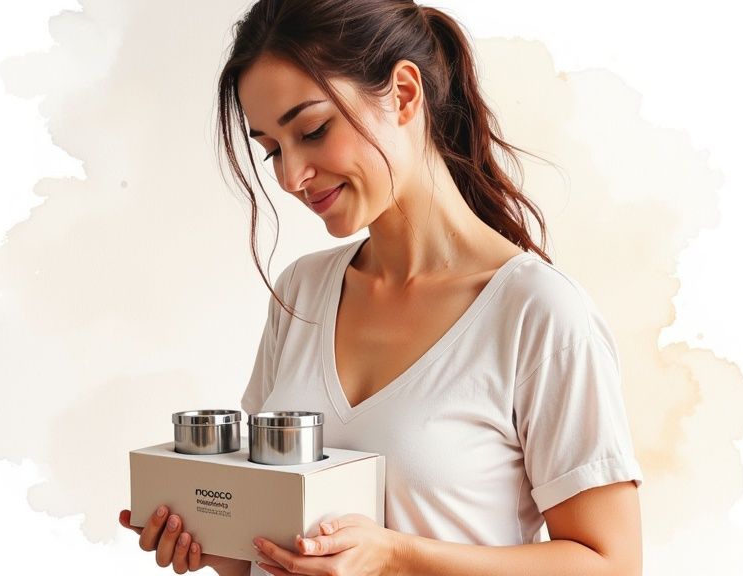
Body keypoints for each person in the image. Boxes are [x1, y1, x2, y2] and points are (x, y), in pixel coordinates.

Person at [120, 1, 644, 574]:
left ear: (403, 93)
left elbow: (611, 564)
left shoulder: (536, 312)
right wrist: (217, 542)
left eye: (313, 130)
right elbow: (265, 541)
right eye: (271, 149)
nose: (291, 177)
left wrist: (397, 557)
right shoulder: (302, 293)